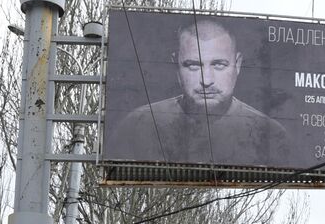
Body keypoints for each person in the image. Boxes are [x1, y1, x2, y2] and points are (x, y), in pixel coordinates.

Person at [111, 19, 290, 167]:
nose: (206, 80)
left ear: (238, 64)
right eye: (193, 65)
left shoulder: (272, 135)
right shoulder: (137, 125)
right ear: (176, 65)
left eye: (219, 64)